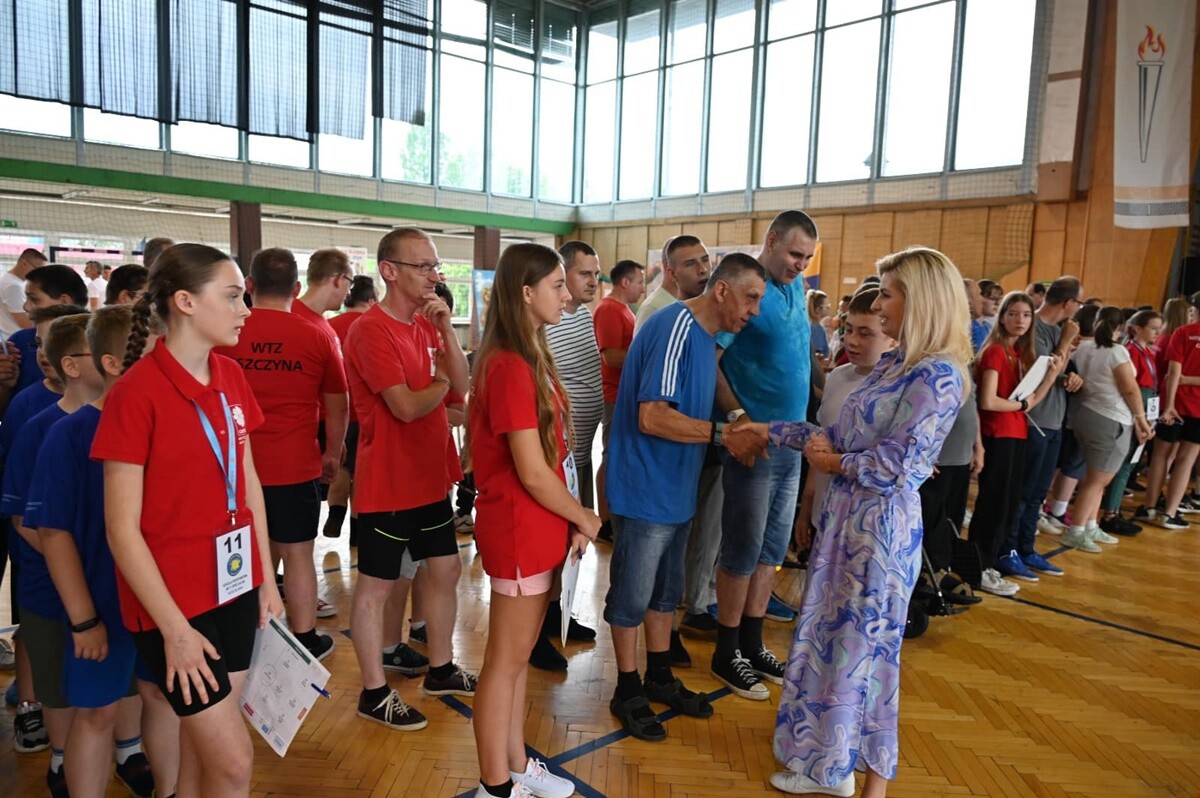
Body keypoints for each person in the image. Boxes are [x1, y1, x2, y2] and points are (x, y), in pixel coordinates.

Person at [740, 246, 972, 798]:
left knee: (860, 651)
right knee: (830, 643)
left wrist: (832, 464)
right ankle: (831, 763)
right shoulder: (897, 364)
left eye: (888, 292)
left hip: (879, 532)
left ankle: (850, 772)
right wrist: (767, 430)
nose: (879, 303)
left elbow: (901, 466)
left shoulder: (939, 376)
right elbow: (833, 437)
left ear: (919, 298)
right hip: (846, 519)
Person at [93, 243, 283, 796]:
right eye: (231, 297)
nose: (245, 310)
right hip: (173, 607)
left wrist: (266, 580)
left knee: (206, 759)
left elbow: (247, 483)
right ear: (185, 302)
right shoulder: (136, 395)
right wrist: (175, 631)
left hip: (234, 585)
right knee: (233, 765)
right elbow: (120, 529)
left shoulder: (230, 375)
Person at [604, 253, 767, 743]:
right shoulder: (675, 326)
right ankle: (627, 687)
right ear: (722, 291)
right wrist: (723, 434)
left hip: (676, 487)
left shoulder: (703, 336)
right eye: (751, 297)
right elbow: (651, 416)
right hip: (646, 487)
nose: (755, 310)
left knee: (665, 591)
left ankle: (657, 675)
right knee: (632, 596)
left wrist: (735, 417)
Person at [31, 307, 179, 798]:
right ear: (114, 362)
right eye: (155, 355)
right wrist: (83, 619)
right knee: (97, 713)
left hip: (163, 606)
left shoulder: (170, 423)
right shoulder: (67, 435)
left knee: (162, 697)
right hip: (102, 607)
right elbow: (54, 534)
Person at [468, 242, 599, 798]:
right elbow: (531, 472)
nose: (567, 295)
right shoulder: (505, 365)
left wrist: (569, 520)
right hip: (519, 528)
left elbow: (553, 461)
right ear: (526, 292)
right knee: (503, 663)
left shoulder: (529, 357)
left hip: (541, 523)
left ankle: (518, 764)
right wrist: (587, 516)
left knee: (518, 661)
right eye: (557, 286)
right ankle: (494, 785)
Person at [343, 227, 473, 732]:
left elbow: (462, 385)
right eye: (423, 267)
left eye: (435, 267)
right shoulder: (371, 331)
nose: (433, 277)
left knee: (444, 572)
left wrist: (445, 335)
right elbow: (405, 405)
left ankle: (440, 668)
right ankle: (374, 693)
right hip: (388, 484)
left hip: (428, 478)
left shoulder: (425, 325)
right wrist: (442, 384)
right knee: (376, 588)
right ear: (389, 271)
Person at [216, 248, 348, 660]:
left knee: (240, 552)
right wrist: (332, 452)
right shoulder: (317, 334)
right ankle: (305, 637)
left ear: (249, 287)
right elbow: (339, 403)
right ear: (296, 287)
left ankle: (244, 636)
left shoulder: (226, 331)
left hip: (234, 467)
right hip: (294, 465)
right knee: (297, 554)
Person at [711, 210, 817, 701]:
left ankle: (752, 641)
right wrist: (737, 421)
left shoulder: (795, 287)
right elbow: (713, 360)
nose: (801, 265)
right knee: (742, 549)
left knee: (772, 551)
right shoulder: (750, 293)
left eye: (808, 258)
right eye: (795, 254)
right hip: (756, 444)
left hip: (791, 443)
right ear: (771, 241)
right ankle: (725, 648)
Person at [4, 312, 102, 796]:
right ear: (74, 364)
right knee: (60, 683)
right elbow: (25, 519)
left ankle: (127, 752)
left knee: (114, 684)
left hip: (107, 584)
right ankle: (62, 763)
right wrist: (72, 566)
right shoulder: (41, 426)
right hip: (49, 587)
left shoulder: (121, 419)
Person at [537, 241, 605, 671]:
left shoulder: (579, 316)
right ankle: (537, 627)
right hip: (554, 454)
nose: (593, 283)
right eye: (584, 275)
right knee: (550, 544)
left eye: (597, 274)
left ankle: (558, 613)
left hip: (576, 450)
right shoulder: (549, 323)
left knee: (569, 545)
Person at [974, 293, 1065, 590]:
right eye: (1013, 314)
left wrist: (1051, 376)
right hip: (997, 435)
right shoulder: (996, 352)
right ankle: (978, 566)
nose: (1020, 321)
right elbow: (988, 401)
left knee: (1007, 506)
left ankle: (992, 561)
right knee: (993, 505)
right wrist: (1022, 407)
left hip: (1016, 433)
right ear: (1002, 317)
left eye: (1026, 315)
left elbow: (1032, 400)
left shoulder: (1018, 354)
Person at [1061, 306, 1154, 549]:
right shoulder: (1117, 352)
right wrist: (1141, 418)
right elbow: (1130, 388)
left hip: (1086, 415)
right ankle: (1077, 529)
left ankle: (1091, 526)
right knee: (1097, 480)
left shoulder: (1084, 347)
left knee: (1094, 477)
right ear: (1121, 328)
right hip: (1110, 418)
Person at [1010, 277, 1084, 544]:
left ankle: (1027, 548)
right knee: (1024, 492)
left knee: (1039, 494)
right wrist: (1065, 342)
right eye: (1079, 302)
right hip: (1034, 419)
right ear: (1069, 303)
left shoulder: (1059, 330)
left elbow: (1058, 372)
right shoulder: (1036, 328)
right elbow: (1041, 372)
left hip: (1054, 418)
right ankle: (1011, 549)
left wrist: (1071, 378)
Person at [593, 258, 646, 539]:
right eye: (639, 281)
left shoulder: (625, 310)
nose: (642, 288)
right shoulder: (609, 310)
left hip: (624, 395)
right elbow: (610, 355)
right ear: (625, 282)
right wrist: (648, 357)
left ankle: (615, 514)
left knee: (618, 455)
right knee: (610, 455)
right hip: (613, 396)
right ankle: (605, 520)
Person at [324, 274, 379, 542]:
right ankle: (357, 532)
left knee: (341, 469)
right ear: (371, 300)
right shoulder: (372, 326)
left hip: (334, 411)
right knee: (363, 475)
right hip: (366, 412)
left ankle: (335, 514)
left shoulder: (328, 325)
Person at [1099, 309, 1162, 534]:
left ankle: (1114, 509)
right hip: (1136, 409)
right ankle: (1110, 513)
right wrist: (1139, 417)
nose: (1157, 332)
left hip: (1147, 407)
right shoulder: (1130, 352)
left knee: (1132, 463)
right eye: (1153, 327)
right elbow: (1129, 388)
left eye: (1158, 328)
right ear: (1137, 328)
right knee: (1125, 464)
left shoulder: (1148, 351)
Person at [1145, 291, 1200, 530]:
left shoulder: (1182, 332)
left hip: (1174, 404)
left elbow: (1173, 373)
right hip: (1197, 409)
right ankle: (1169, 513)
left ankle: (1148, 508)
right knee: (1186, 461)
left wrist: (1168, 406)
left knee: (1160, 456)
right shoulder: (1183, 332)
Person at [1133, 297, 1189, 523]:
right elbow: (1171, 373)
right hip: (1173, 403)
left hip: (1164, 400)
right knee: (1177, 457)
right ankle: (1169, 509)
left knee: (1162, 455)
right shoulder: (1175, 337)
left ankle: (1151, 504)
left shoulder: (1168, 337)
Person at [11, 265, 89, 394]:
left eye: (34, 299)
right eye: (38, 344)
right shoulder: (19, 343)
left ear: (64, 301)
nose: (26, 306)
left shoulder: (97, 341)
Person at [0, 247, 48, 335]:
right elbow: (25, 323)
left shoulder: (9, 280)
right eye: (37, 270)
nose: (38, 275)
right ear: (24, 264)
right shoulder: (13, 286)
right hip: (17, 343)